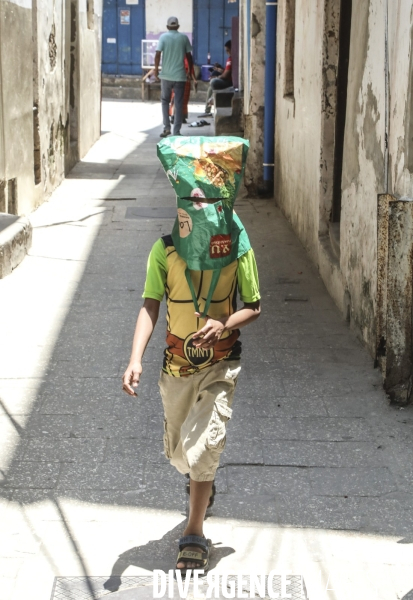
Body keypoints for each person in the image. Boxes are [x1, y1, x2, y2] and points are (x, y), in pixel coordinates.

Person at [122, 136, 261, 574]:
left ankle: (194, 533)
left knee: (205, 450)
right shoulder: (164, 251)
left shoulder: (238, 245)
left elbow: (253, 305)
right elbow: (150, 304)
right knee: (180, 453)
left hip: (221, 364)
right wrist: (135, 358)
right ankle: (198, 481)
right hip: (176, 368)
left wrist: (225, 323)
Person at [154, 17, 195, 137]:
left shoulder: (163, 37)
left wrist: (156, 70)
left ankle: (166, 128)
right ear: (178, 26)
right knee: (178, 103)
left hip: (166, 76)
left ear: (167, 27)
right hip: (180, 76)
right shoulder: (183, 38)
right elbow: (189, 57)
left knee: (165, 101)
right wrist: (189, 73)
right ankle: (176, 131)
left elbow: (157, 54)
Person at [198, 40, 233, 118]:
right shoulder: (230, 59)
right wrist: (220, 70)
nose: (227, 53)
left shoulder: (231, 60)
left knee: (213, 82)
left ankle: (212, 100)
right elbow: (226, 72)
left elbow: (226, 75)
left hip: (230, 82)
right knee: (211, 86)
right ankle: (207, 109)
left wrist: (217, 77)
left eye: (228, 50)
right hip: (227, 79)